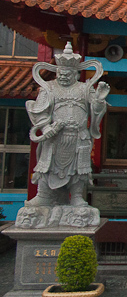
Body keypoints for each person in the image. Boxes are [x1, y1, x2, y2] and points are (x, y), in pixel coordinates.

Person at [25, 42, 109, 208]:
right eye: (60, 73)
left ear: (76, 74)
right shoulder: (49, 88)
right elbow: (39, 111)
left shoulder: (85, 88)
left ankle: (76, 196)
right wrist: (47, 128)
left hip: (78, 135)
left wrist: (99, 100)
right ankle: (43, 195)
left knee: (80, 167)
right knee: (47, 165)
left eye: (67, 73)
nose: (63, 76)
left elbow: (96, 110)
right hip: (55, 136)